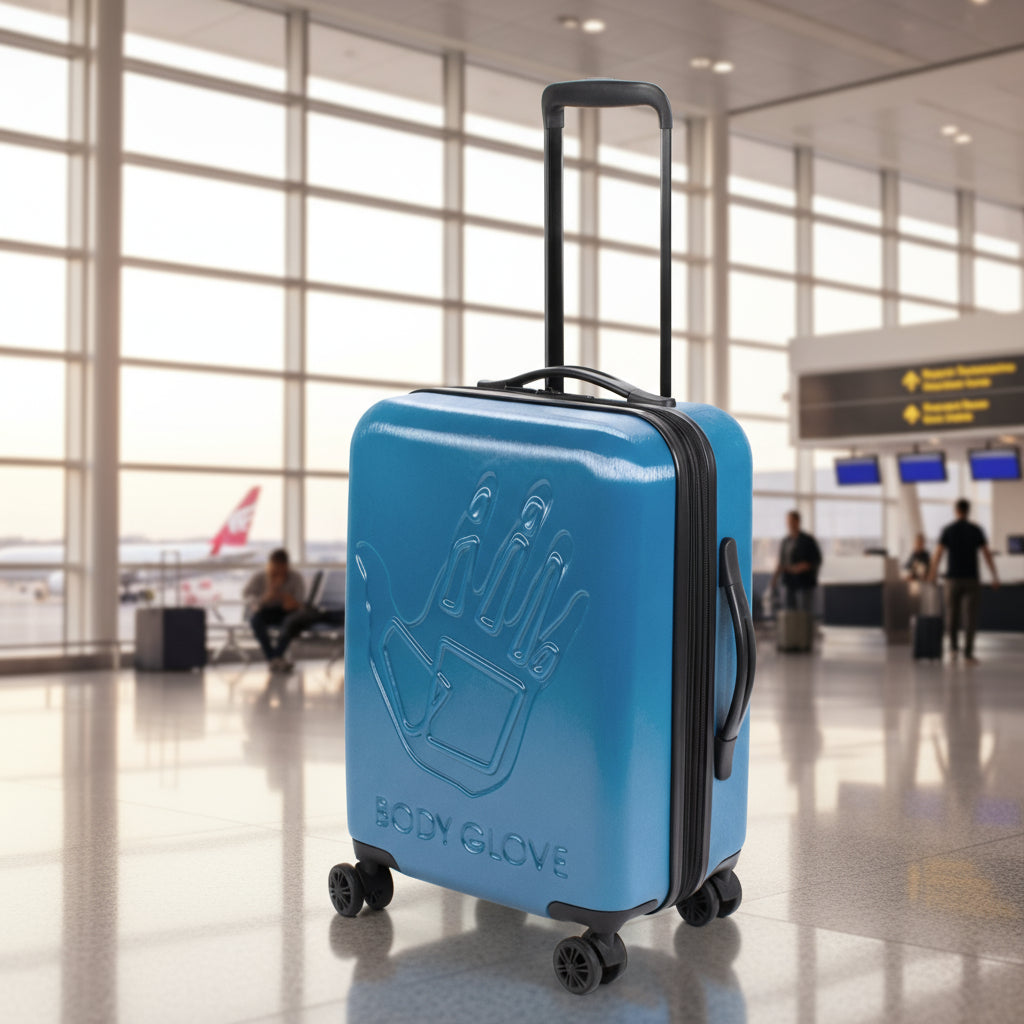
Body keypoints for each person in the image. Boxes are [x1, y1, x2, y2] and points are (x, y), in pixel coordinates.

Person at [928, 499, 1000, 663]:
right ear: (968, 511)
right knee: (971, 617)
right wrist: (994, 576)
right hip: (971, 580)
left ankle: (953, 649)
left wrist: (933, 573)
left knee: (952, 615)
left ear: (956, 511)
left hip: (952, 579)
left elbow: (938, 554)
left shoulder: (948, 529)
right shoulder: (976, 530)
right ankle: (968, 654)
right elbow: (987, 554)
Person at [243, 549, 308, 672]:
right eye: (275, 566)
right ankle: (275, 658)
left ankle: (274, 658)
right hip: (265, 611)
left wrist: (285, 597)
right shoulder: (260, 577)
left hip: (287, 613)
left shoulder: (295, 578)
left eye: (281, 567)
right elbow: (248, 595)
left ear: (286, 566)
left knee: (291, 623)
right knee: (255, 621)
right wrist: (267, 597)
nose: (278, 570)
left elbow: (300, 602)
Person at [769, 510, 823, 612]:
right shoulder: (786, 541)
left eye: (791, 521)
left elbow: (817, 560)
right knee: (790, 613)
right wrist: (774, 580)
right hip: (789, 583)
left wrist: (804, 566)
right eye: (788, 521)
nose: (789, 524)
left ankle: (804, 628)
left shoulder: (808, 540)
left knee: (803, 613)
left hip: (804, 584)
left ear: (797, 521)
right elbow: (781, 562)